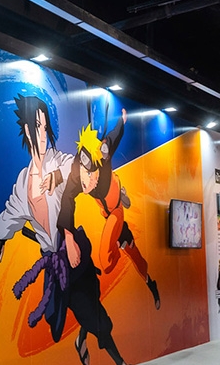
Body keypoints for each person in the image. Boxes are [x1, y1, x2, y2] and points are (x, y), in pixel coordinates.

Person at [0, 92, 127, 365]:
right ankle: (84, 340)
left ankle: (120, 363)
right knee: (64, 317)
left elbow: (72, 167)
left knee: (92, 309)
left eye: (45, 127)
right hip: (55, 264)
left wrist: (56, 177)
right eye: (36, 126)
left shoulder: (60, 161)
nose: (42, 134)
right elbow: (12, 212)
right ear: (27, 129)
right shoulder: (23, 182)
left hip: (73, 251)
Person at [59, 107, 161, 309]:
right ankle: (147, 276)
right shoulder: (77, 174)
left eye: (93, 175)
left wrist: (122, 120)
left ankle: (148, 279)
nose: (89, 181)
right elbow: (67, 199)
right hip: (106, 210)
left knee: (107, 262)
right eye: (86, 174)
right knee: (132, 251)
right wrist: (68, 238)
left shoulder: (104, 154)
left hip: (115, 210)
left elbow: (115, 134)